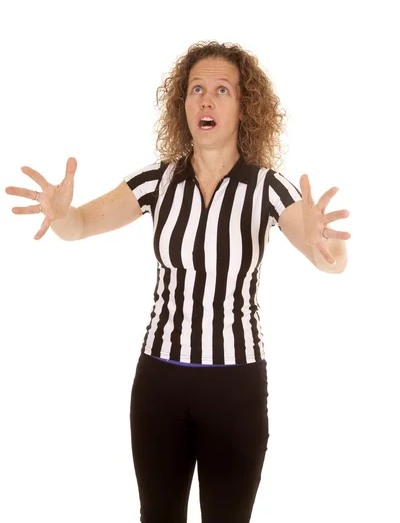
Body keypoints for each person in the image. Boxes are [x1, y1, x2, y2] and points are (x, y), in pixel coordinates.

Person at [5, 40, 351, 522]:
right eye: (196, 89)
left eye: (222, 90)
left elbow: (329, 260)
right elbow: (79, 226)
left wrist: (330, 247)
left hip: (236, 385)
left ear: (244, 107)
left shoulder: (269, 188)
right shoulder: (156, 182)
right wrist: (61, 214)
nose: (206, 100)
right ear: (183, 104)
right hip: (160, 382)